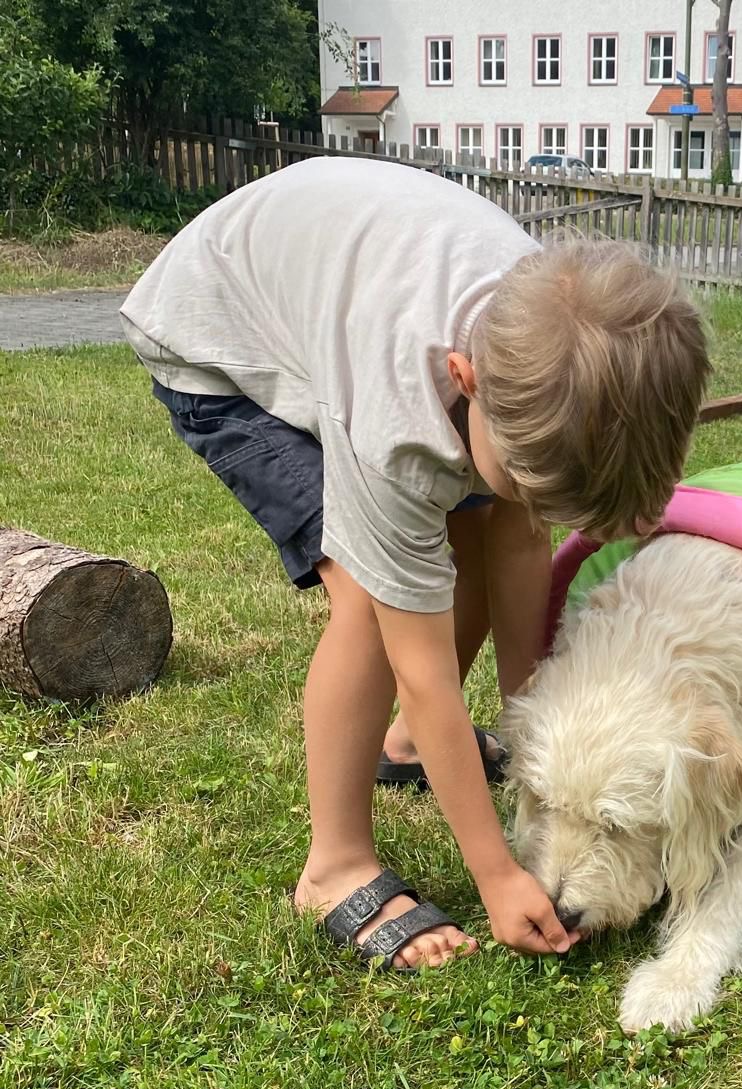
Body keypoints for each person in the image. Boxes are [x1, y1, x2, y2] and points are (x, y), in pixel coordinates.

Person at [120, 156, 709, 972]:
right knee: (370, 602)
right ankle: (334, 866)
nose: (534, 510)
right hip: (219, 341)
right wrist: (496, 872)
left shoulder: (540, 354)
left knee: (484, 521)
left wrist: (533, 734)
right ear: (466, 380)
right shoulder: (399, 424)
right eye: (529, 484)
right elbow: (423, 666)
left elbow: (516, 538)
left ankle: (405, 748)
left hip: (338, 291)